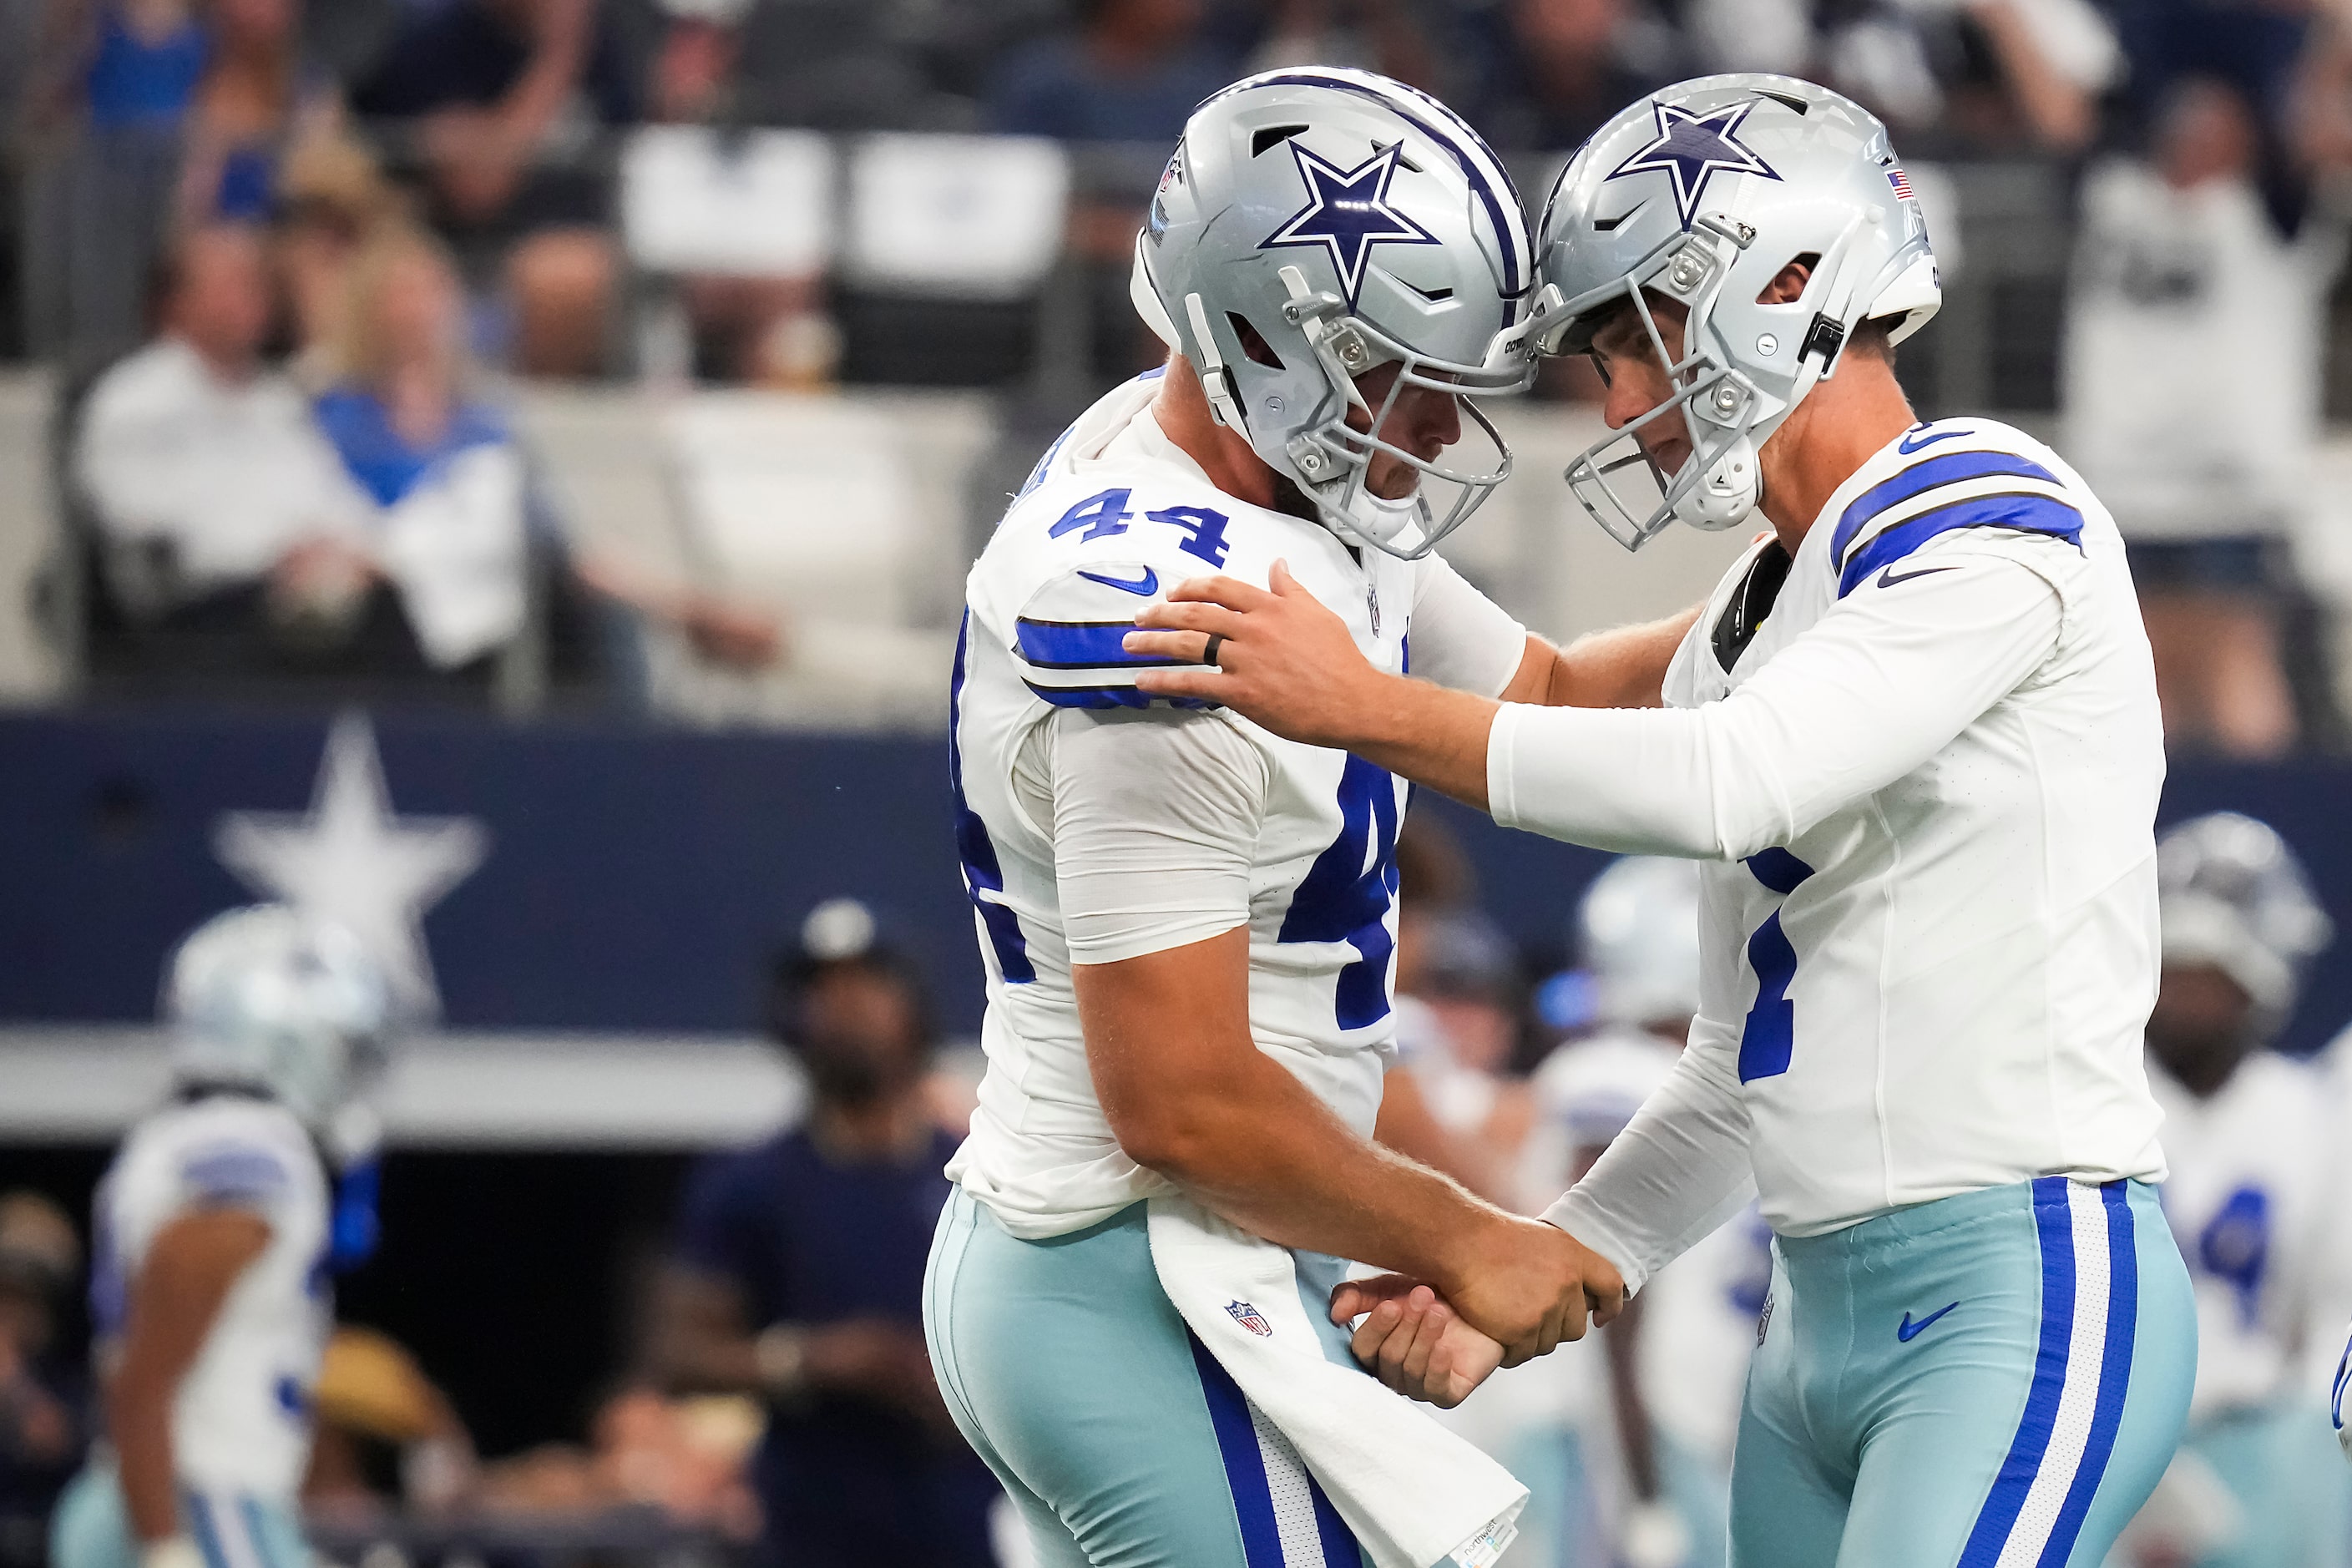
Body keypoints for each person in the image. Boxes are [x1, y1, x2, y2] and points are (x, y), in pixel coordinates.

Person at [1128, 73, 2197, 1568]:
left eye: (1635, 333)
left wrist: (1357, 703)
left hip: (2017, 1288)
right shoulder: (1764, 609)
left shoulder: (1985, 503)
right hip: (1809, 1320)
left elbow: (1725, 778)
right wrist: (1556, 1252)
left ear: (1784, 283)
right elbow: (1727, 1061)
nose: (1621, 397)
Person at [925, 67, 1651, 1568]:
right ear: (1271, 341)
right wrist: (1463, 1235)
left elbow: (1553, 694)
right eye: (1410, 380)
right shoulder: (1170, 616)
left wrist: (1802, 602)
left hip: (1174, 1261)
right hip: (1127, 1275)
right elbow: (1179, 1097)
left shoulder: (1280, 490)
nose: (1445, 432)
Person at [645, 898, 996, 1568]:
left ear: (912, 1005)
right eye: (824, 992)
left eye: (869, 984)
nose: (848, 1010)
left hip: (967, 1525)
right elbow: (679, 1352)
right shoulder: (751, 1185)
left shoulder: (976, 1173)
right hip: (814, 1530)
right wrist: (822, 1360)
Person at [49, 906, 393, 1568]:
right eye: (344, 1045)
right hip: (195, 1495)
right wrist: (166, 1544)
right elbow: (146, 1378)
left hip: (183, 1491)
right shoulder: (249, 1147)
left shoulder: (193, 1135)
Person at [2061, 75, 2343, 756]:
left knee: (2236, 665)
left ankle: (2268, 828)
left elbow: (2321, 132)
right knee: (2139, 679)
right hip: (2123, 491)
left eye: (2218, 120)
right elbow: (2064, 121)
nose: (2195, 135)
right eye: (2182, 122)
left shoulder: (2273, 211)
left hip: (2232, 498)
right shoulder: (2114, 198)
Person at [1517, 857, 1770, 1568]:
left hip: (1696, 1411)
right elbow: (1609, 1286)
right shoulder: (1613, 1069)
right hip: (1621, 1421)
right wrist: (1641, 1485)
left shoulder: (1722, 1079)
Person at [2123, 812, 2348, 1568]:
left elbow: (2330, 1314)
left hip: (2261, 1444)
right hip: (2102, 1439)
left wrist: (2305, 1445)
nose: (2188, 994)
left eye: (2213, 974)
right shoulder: (2093, 1102)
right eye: (2175, 965)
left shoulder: (2308, 1114)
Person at [73, 222, 378, 666]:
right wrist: (272, 556)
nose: (252, 296)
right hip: (201, 608)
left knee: (398, 616)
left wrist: (349, 550)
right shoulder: (133, 400)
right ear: (176, 303)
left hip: (306, 594)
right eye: (233, 283)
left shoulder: (277, 403)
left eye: (256, 282)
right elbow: (134, 523)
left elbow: (335, 497)